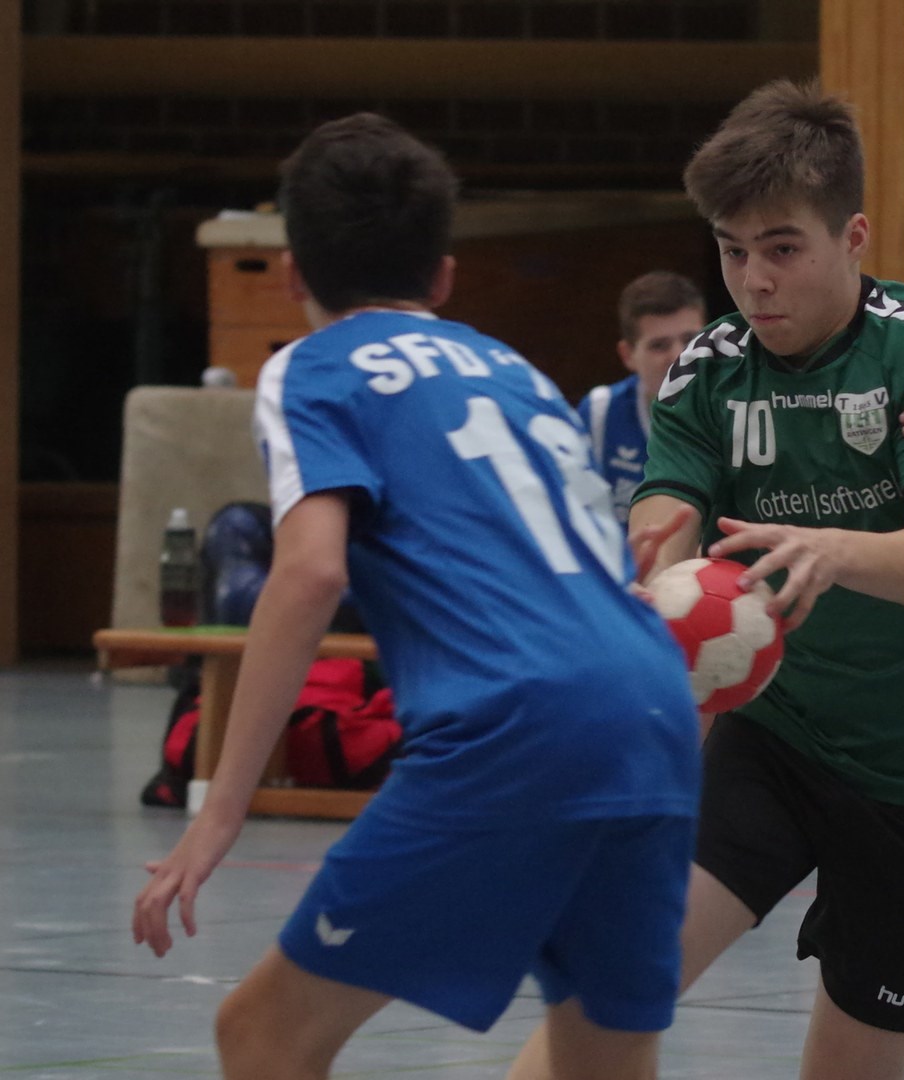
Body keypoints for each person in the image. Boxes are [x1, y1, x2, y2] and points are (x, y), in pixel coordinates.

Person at [130, 113, 703, 1080]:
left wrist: (219, 808)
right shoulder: (517, 371)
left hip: (513, 721)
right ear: (443, 276)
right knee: (603, 1060)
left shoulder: (312, 367)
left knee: (262, 1036)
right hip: (653, 713)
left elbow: (311, 571)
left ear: (292, 274)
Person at [509, 79, 904, 1080]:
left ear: (853, 236)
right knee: (612, 983)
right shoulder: (709, 369)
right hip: (779, 737)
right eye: (731, 250)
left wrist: (829, 549)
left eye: (783, 248)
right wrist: (646, 583)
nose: (753, 281)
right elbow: (667, 524)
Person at [577, 270, 709, 521]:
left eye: (690, 340)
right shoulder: (600, 413)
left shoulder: (742, 408)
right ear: (628, 355)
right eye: (659, 345)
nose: (678, 357)